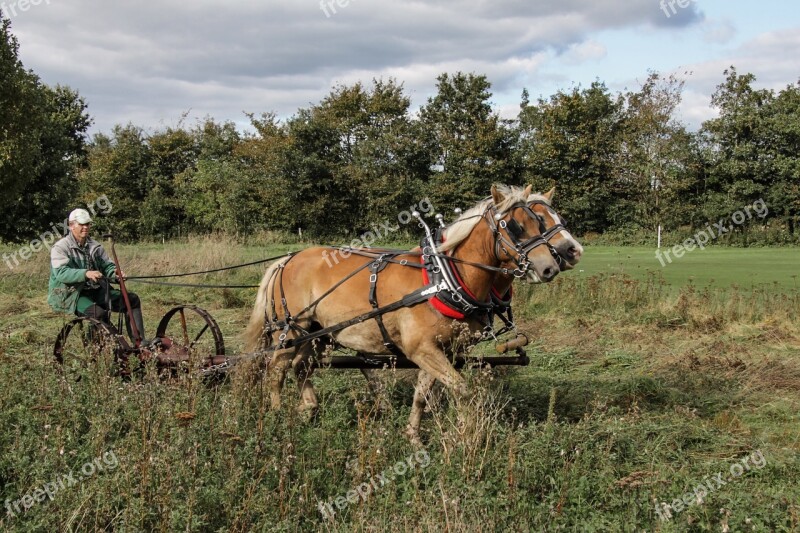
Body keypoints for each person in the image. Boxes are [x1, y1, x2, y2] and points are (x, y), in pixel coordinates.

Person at [48, 208, 146, 344]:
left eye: (87, 224)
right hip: (73, 294)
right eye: (81, 224)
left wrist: (115, 274)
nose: (85, 227)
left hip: (96, 290)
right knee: (98, 314)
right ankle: (92, 348)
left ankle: (139, 344)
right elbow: (61, 273)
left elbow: (107, 266)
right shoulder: (61, 247)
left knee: (132, 300)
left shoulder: (95, 246)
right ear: (71, 226)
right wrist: (85, 273)